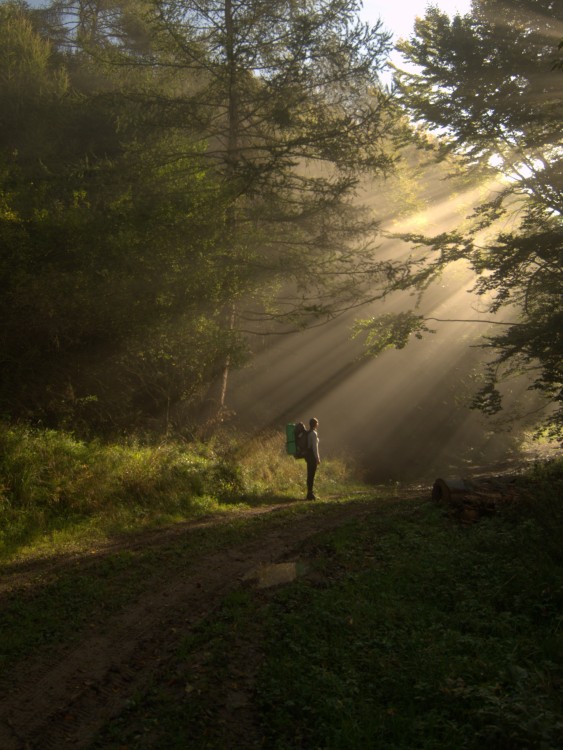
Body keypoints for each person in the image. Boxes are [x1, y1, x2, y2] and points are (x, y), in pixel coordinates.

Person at [306, 417, 320, 500]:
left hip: (308, 455)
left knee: (309, 474)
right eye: (317, 423)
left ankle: (309, 493)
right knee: (312, 475)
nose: (318, 424)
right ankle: (310, 494)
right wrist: (317, 458)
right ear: (315, 424)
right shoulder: (313, 434)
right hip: (312, 456)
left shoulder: (308, 433)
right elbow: (315, 447)